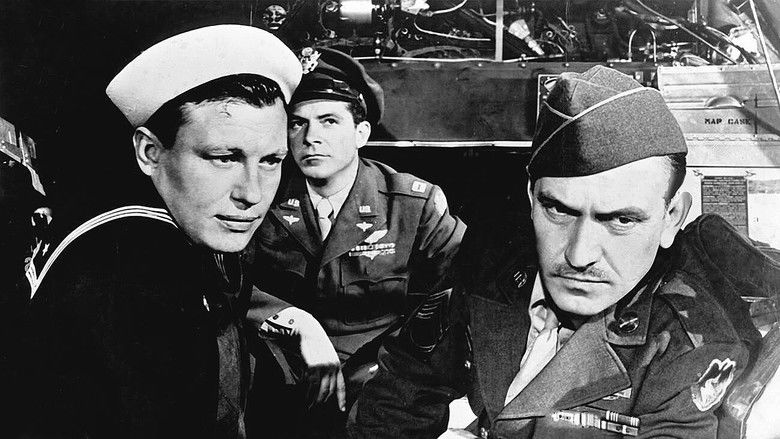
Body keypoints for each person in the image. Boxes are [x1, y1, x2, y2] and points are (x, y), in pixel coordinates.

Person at [350, 65, 760, 438]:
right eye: (559, 210)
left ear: (671, 218)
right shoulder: (490, 263)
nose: (579, 255)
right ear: (532, 198)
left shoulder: (693, 346)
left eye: (621, 220)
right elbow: (398, 396)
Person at [18, 25, 310, 438]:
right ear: (150, 152)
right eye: (224, 158)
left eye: (270, 161)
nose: (252, 194)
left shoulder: (173, 229)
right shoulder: (133, 273)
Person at [246, 48, 466, 437]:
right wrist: (298, 323)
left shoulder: (412, 204)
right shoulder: (258, 196)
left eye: (329, 121)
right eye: (297, 124)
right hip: (279, 379)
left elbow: (462, 293)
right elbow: (223, 281)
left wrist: (398, 367)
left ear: (361, 133)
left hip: (381, 384)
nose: (311, 138)